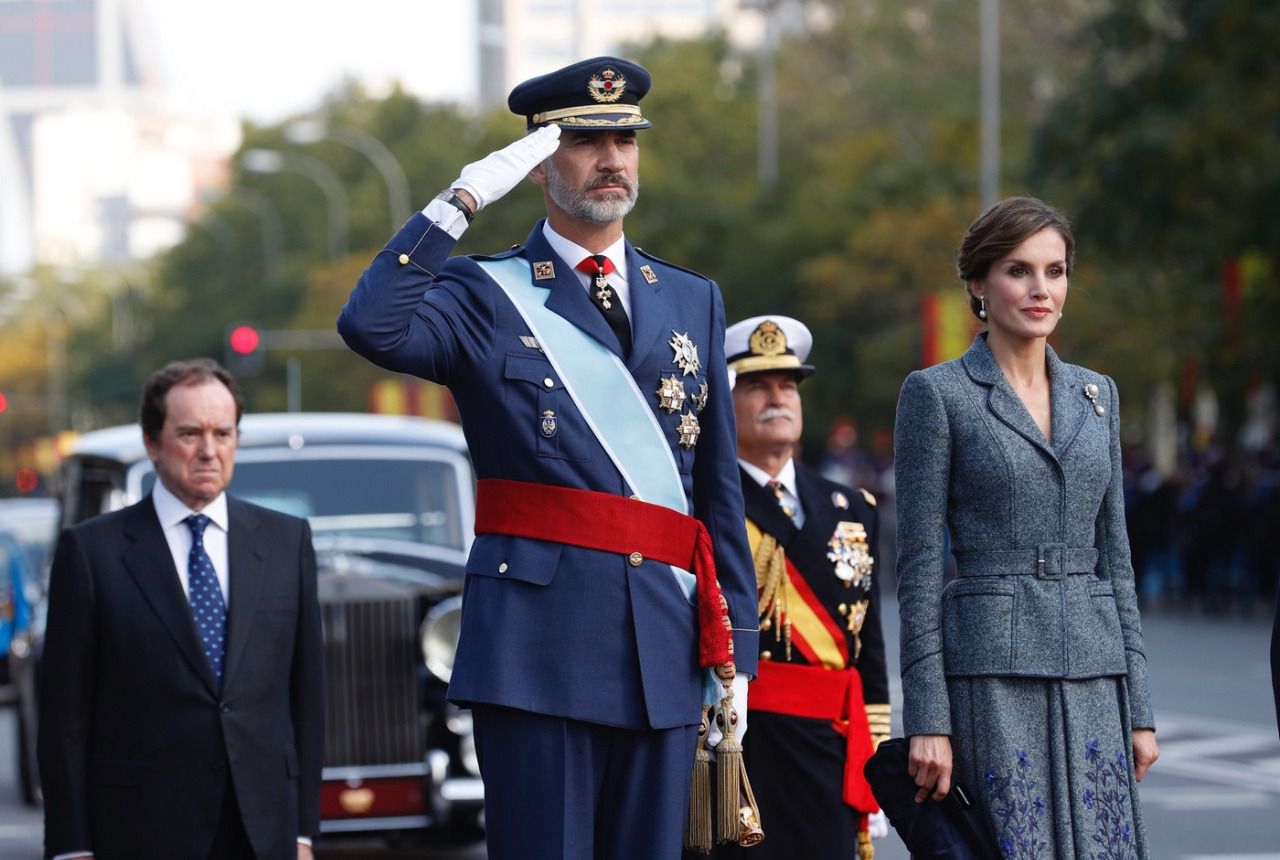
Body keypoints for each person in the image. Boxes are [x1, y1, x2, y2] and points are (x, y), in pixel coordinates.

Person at [337, 56, 758, 860]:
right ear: (537, 162)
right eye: (585, 142)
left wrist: (737, 651)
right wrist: (461, 201)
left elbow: (716, 490)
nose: (611, 160)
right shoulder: (483, 293)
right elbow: (371, 325)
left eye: (625, 142)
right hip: (537, 648)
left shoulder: (690, 296)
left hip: (664, 644)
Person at [893, 197, 1159, 858]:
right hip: (991, 675)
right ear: (978, 285)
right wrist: (927, 719)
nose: (1042, 289)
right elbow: (919, 568)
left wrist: (1141, 709)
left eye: (1055, 271)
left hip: (1095, 671)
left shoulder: (1098, 395)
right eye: (1019, 270)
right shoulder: (937, 394)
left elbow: (1117, 558)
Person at [38, 359, 324, 860]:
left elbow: (308, 699)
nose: (209, 451)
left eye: (223, 433)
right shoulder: (90, 553)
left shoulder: (287, 541)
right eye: (190, 434)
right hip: (139, 830)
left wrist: (302, 833)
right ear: (153, 442)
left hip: (263, 830)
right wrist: (71, 847)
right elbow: (65, 717)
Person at [708, 315, 891, 860]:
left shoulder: (851, 507)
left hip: (829, 749)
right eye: (756, 386)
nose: (777, 398)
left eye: (788, 385)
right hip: (737, 746)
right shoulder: (704, 502)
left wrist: (876, 756)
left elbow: (869, 650)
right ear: (725, 401)